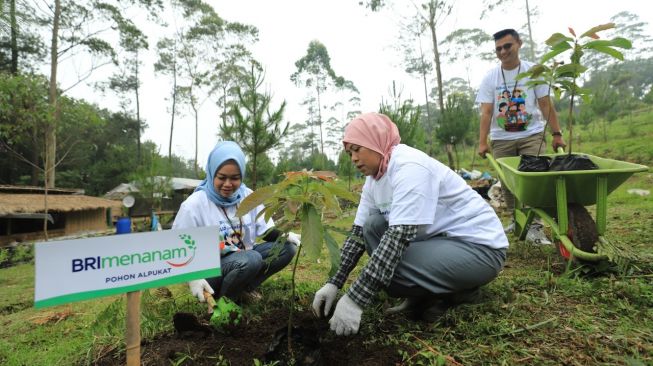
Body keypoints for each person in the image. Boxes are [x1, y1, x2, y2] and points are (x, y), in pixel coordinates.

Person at [311, 112, 509, 336]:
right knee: (373, 225)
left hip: (479, 249)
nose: (353, 158)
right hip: (440, 243)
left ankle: (462, 291)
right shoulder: (374, 179)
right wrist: (334, 283)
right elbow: (357, 235)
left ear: (375, 142)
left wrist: (355, 299)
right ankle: (423, 293)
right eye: (349, 153)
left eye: (357, 149)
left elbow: (399, 237)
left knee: (387, 271)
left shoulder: (409, 166)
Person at [173, 141, 300, 306]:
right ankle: (226, 301)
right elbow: (177, 248)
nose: (227, 184)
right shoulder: (194, 205)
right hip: (211, 271)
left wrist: (285, 236)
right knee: (252, 258)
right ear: (212, 173)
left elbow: (265, 232)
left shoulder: (248, 197)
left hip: (244, 258)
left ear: (242, 176)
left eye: (234, 178)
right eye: (221, 177)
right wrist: (192, 277)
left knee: (287, 248)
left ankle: (243, 289)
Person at [476, 28, 567, 244]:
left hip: (531, 135)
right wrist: (482, 142)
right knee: (508, 182)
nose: (503, 51)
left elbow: (545, 104)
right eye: (498, 48)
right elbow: (487, 111)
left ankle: (534, 227)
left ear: (519, 44)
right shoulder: (491, 78)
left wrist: (556, 134)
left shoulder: (533, 72)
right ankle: (518, 221)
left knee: (533, 179)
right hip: (501, 138)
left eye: (507, 46)